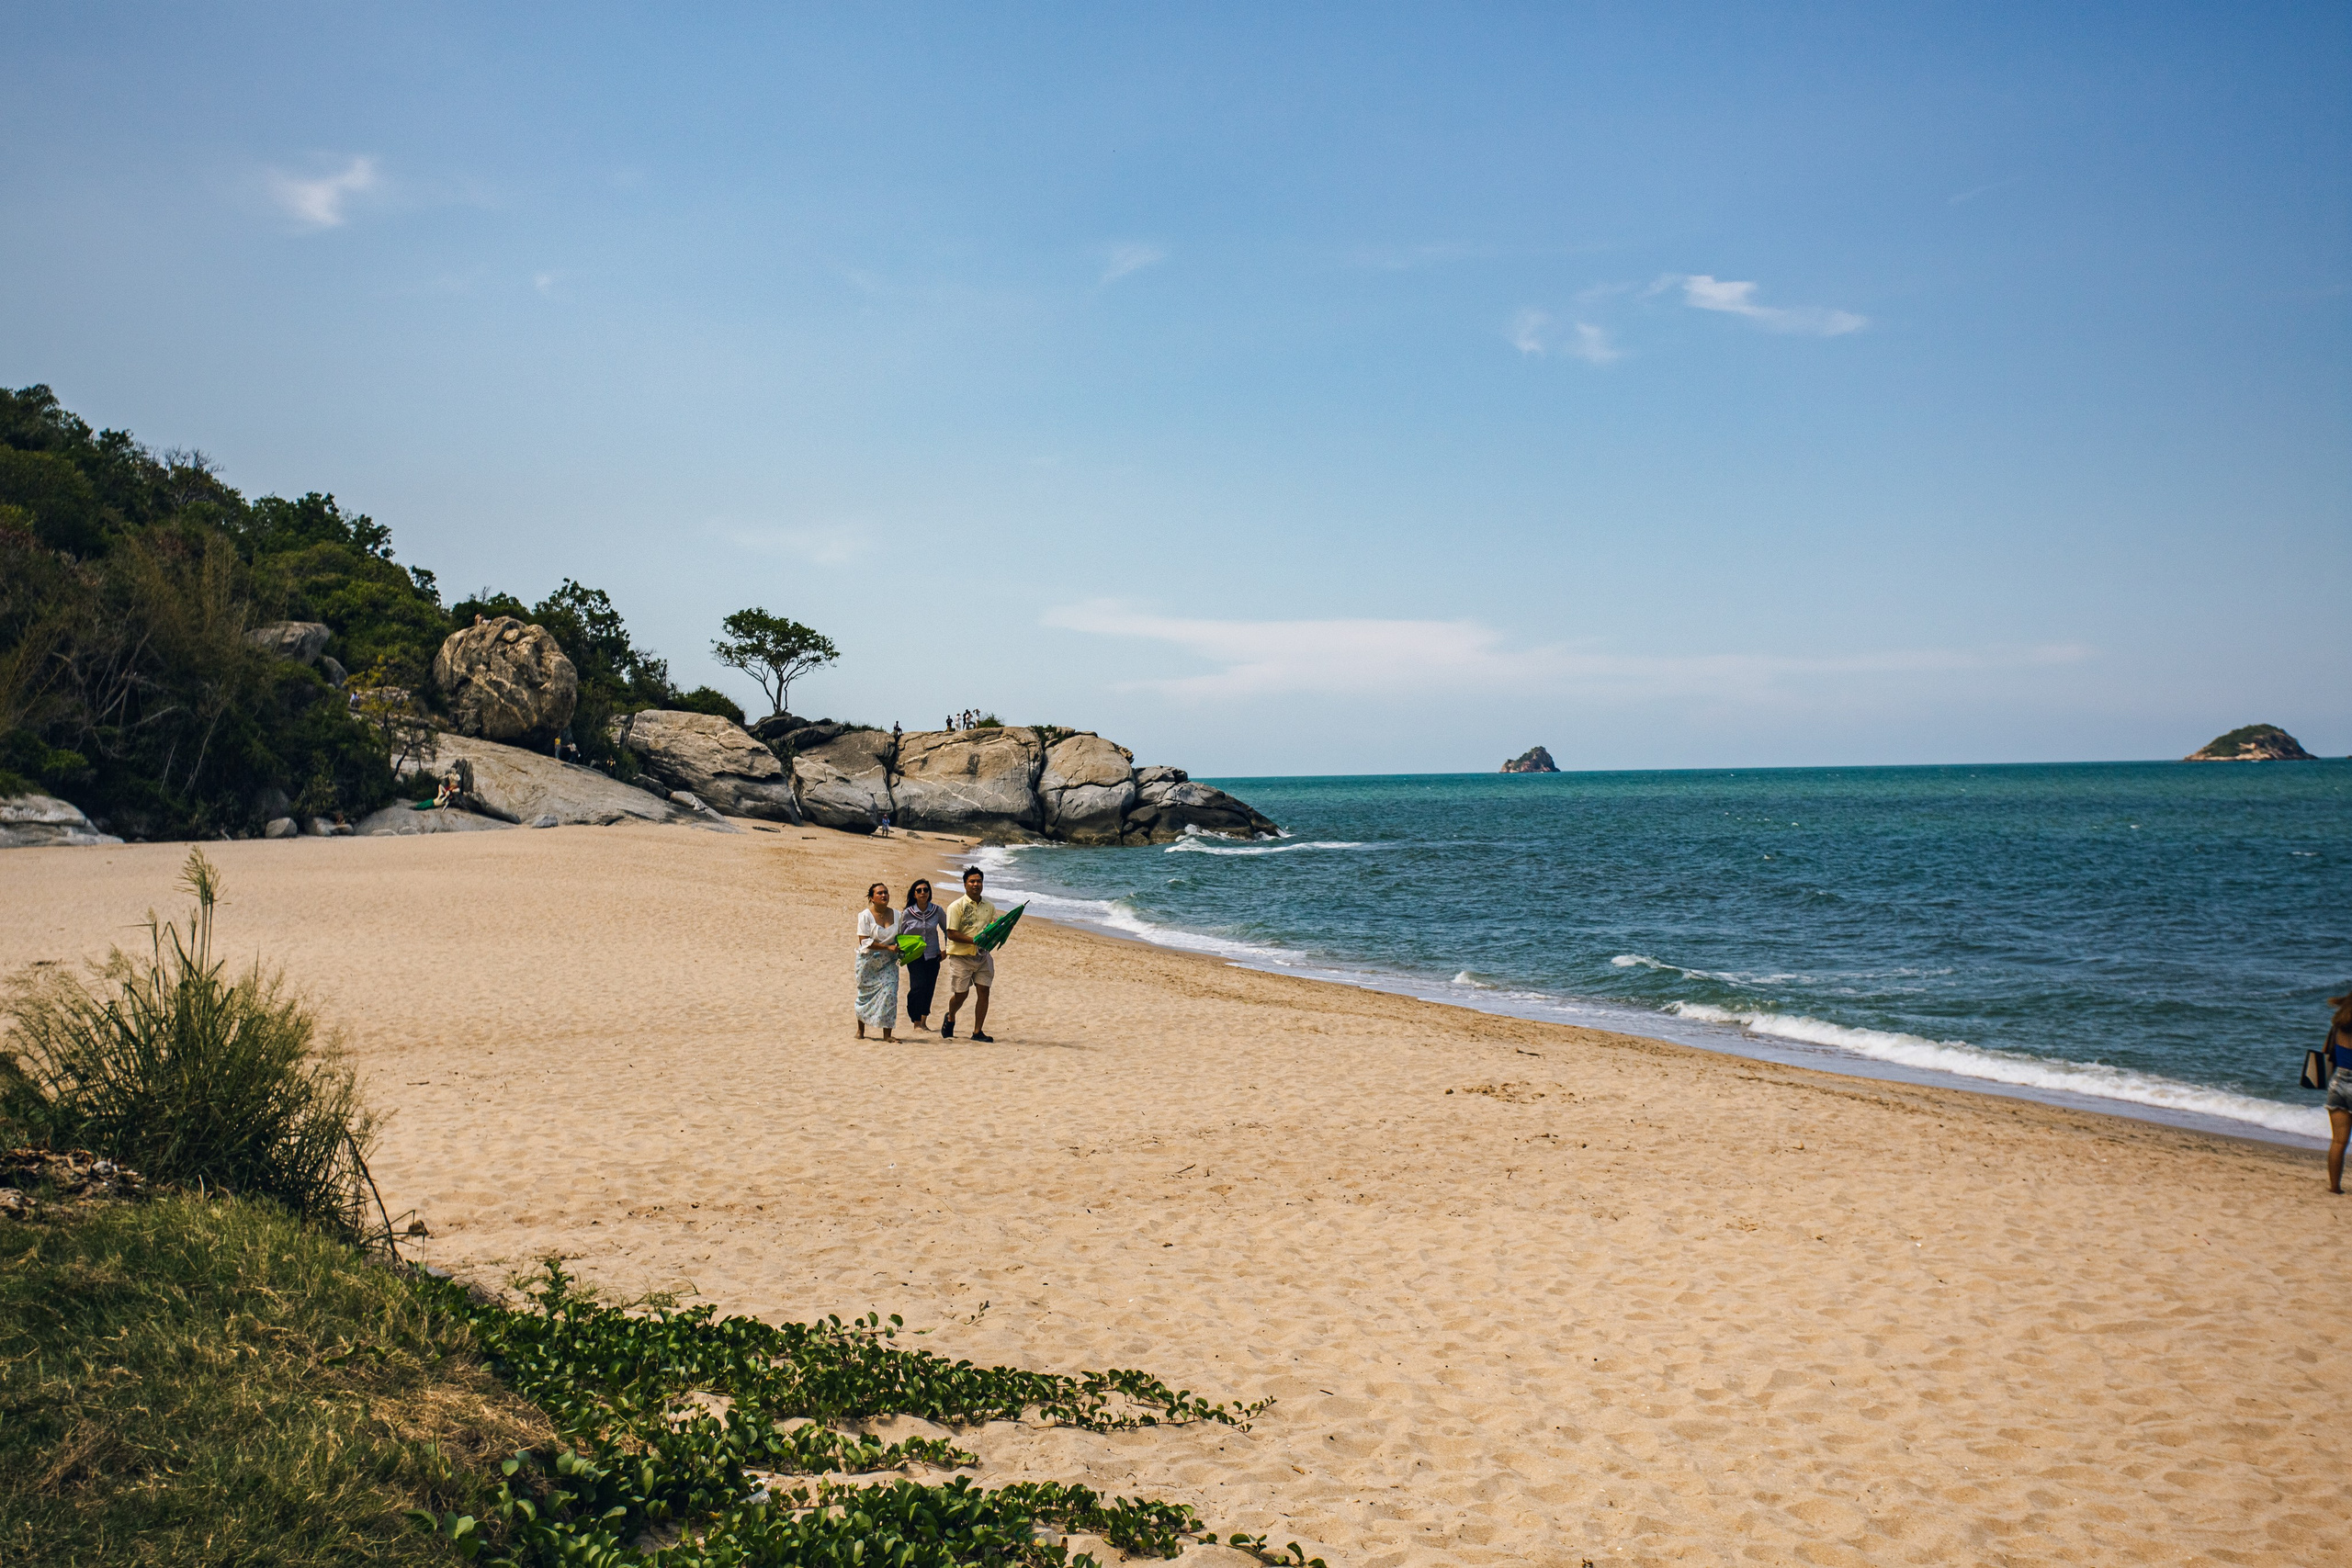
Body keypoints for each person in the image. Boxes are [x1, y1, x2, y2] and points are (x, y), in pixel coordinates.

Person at [938, 865, 998, 1043]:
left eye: (979, 881)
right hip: (961, 956)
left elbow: (993, 927)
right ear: (965, 884)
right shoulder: (956, 906)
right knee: (961, 995)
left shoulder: (990, 906)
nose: (976, 884)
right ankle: (950, 1016)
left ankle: (977, 1031)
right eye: (972, 881)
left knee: (984, 992)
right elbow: (951, 933)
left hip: (983, 957)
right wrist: (975, 940)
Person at [854, 882, 899, 1042]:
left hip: (889, 962)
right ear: (872, 898)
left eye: (885, 892)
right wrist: (887, 947)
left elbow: (900, 936)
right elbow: (864, 941)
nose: (883, 895)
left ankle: (887, 1034)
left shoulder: (897, 914)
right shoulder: (864, 915)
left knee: (890, 994)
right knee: (865, 995)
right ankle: (860, 1029)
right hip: (868, 961)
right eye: (879, 893)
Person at [898, 878, 945, 1031]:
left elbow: (948, 930)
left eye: (926, 890)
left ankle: (923, 1022)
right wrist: (901, 950)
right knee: (918, 987)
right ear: (914, 894)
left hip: (933, 955)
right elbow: (899, 933)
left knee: (929, 988)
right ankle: (916, 1020)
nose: (923, 893)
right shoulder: (907, 913)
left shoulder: (937, 911)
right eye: (919, 890)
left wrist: (947, 950)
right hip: (914, 956)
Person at [2324, 991, 2352, 1194]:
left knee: (2338, 1141)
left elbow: (2328, 1054)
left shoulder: (2336, 1028)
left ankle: (2335, 1187)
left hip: (2338, 1082)